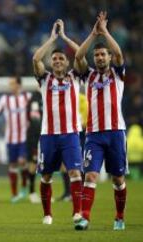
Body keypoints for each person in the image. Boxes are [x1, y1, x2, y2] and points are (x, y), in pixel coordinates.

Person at [74, 12, 128, 231]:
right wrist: (92, 34)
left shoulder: (118, 74)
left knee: (117, 180)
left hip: (116, 133)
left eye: (103, 55)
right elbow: (78, 57)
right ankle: (85, 217)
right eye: (96, 56)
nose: (100, 58)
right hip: (94, 135)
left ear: (108, 57)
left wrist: (105, 32)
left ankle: (119, 216)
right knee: (92, 175)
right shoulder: (89, 76)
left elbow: (119, 52)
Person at [32, 19, 84, 228]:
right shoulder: (45, 79)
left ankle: (77, 212)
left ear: (67, 62)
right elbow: (36, 58)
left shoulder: (75, 77)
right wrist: (52, 40)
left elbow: (80, 54)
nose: (58, 61)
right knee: (46, 175)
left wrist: (65, 38)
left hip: (71, 134)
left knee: (74, 173)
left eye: (61, 58)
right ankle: (47, 214)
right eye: (55, 59)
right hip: (48, 135)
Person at [0, 76, 31, 203]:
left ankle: (24, 187)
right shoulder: (5, 99)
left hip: (24, 137)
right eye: (10, 84)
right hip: (10, 138)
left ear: (19, 85)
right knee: (13, 165)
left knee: (22, 161)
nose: (11, 86)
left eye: (13, 83)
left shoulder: (27, 97)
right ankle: (14, 194)